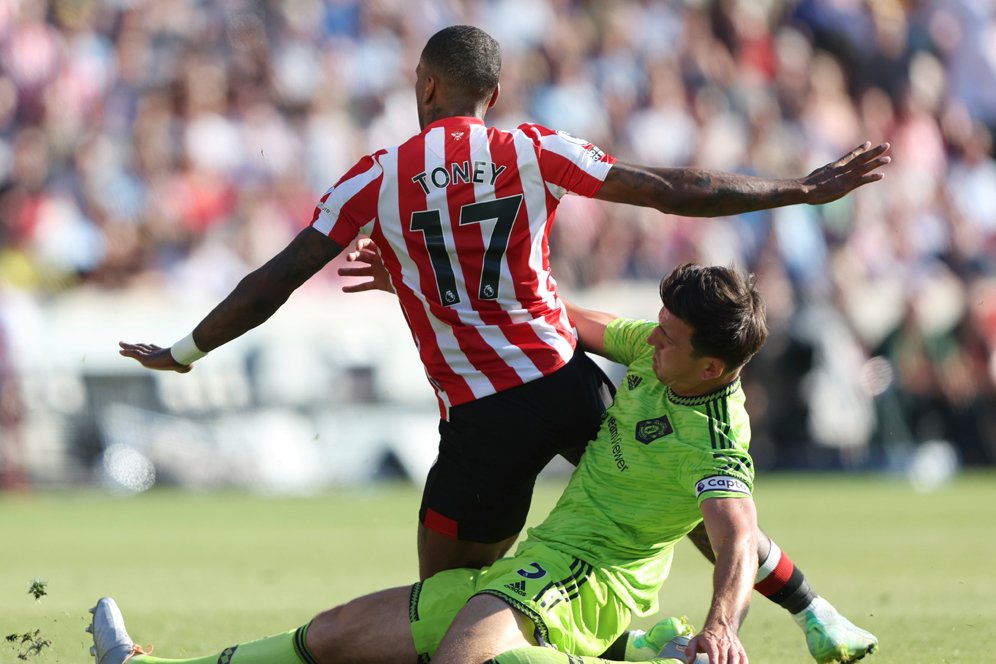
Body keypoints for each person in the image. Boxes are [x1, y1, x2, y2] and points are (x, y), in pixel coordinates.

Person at [95, 263, 786, 664]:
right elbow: (543, 317)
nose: (652, 338)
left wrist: (722, 626)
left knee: (462, 660)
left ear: (714, 365)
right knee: (336, 635)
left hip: (593, 581)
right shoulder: (658, 358)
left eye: (670, 337)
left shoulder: (716, 438)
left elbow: (735, 536)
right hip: (542, 561)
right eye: (657, 325)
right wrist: (422, 284)